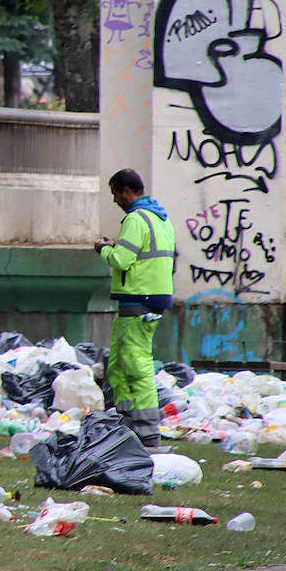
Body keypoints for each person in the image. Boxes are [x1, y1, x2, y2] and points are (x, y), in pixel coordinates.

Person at [94, 168, 176, 448]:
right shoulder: (159, 218)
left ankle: (146, 431)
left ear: (126, 191)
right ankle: (126, 423)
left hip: (138, 300)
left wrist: (103, 249)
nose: (115, 200)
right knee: (118, 364)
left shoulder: (135, 218)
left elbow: (122, 260)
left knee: (136, 366)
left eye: (115, 194)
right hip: (147, 299)